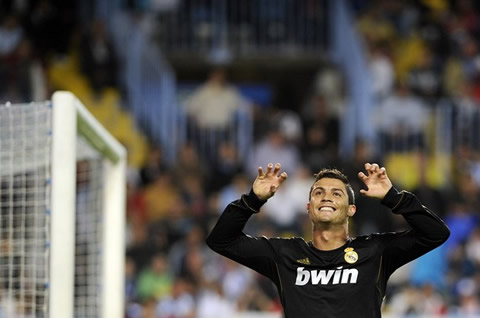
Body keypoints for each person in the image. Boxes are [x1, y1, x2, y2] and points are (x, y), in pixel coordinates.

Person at [206, 162, 450, 317]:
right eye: (318, 193)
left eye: (337, 193)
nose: (326, 197)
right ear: (309, 208)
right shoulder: (283, 254)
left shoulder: (375, 250)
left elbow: (435, 233)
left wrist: (394, 198)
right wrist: (252, 200)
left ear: (351, 209)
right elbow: (221, 241)